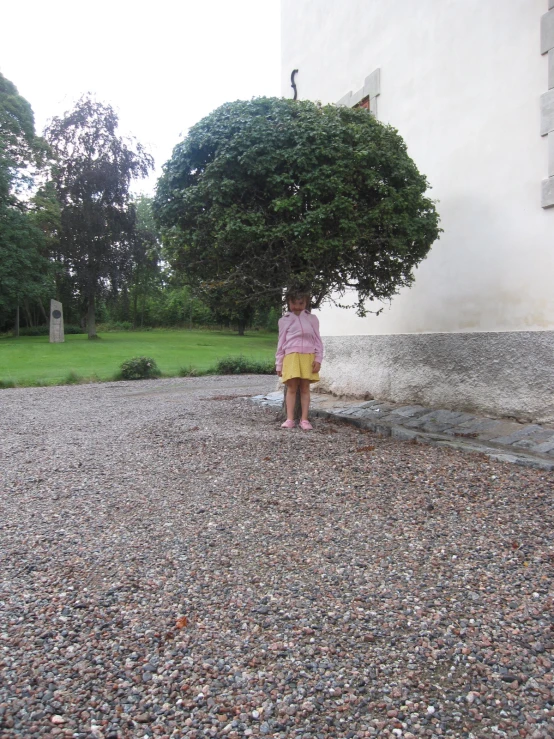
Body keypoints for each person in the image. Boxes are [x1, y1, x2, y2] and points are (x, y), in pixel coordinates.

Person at [275, 290, 324, 430]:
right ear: (288, 303)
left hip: (308, 357)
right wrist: (279, 364)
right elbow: (281, 342)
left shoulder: (312, 319)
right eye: (293, 303)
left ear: (306, 302)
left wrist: (318, 359)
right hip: (291, 357)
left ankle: (304, 419)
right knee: (291, 388)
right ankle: (290, 419)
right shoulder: (284, 320)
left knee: (304, 388)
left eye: (301, 303)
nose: (297, 306)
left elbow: (318, 341)